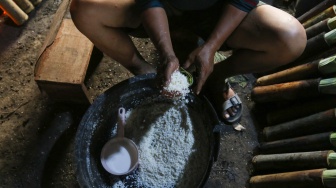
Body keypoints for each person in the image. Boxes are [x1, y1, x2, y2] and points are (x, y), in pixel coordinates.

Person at [70, 0, 306, 126]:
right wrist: (166, 52)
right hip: (159, 6)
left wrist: (212, 46)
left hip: (219, 10)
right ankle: (145, 72)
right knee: (84, 8)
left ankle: (215, 77)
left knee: (291, 38)